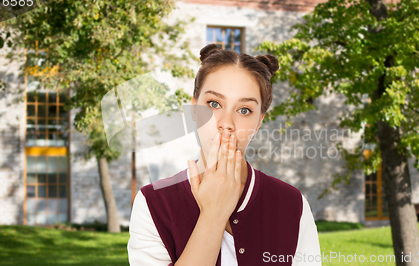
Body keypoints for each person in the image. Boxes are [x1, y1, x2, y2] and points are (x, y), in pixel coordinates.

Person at [127, 44, 321, 266]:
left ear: (259, 121)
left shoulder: (293, 205)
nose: (226, 124)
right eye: (214, 104)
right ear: (194, 109)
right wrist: (214, 215)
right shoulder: (152, 204)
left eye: (244, 110)